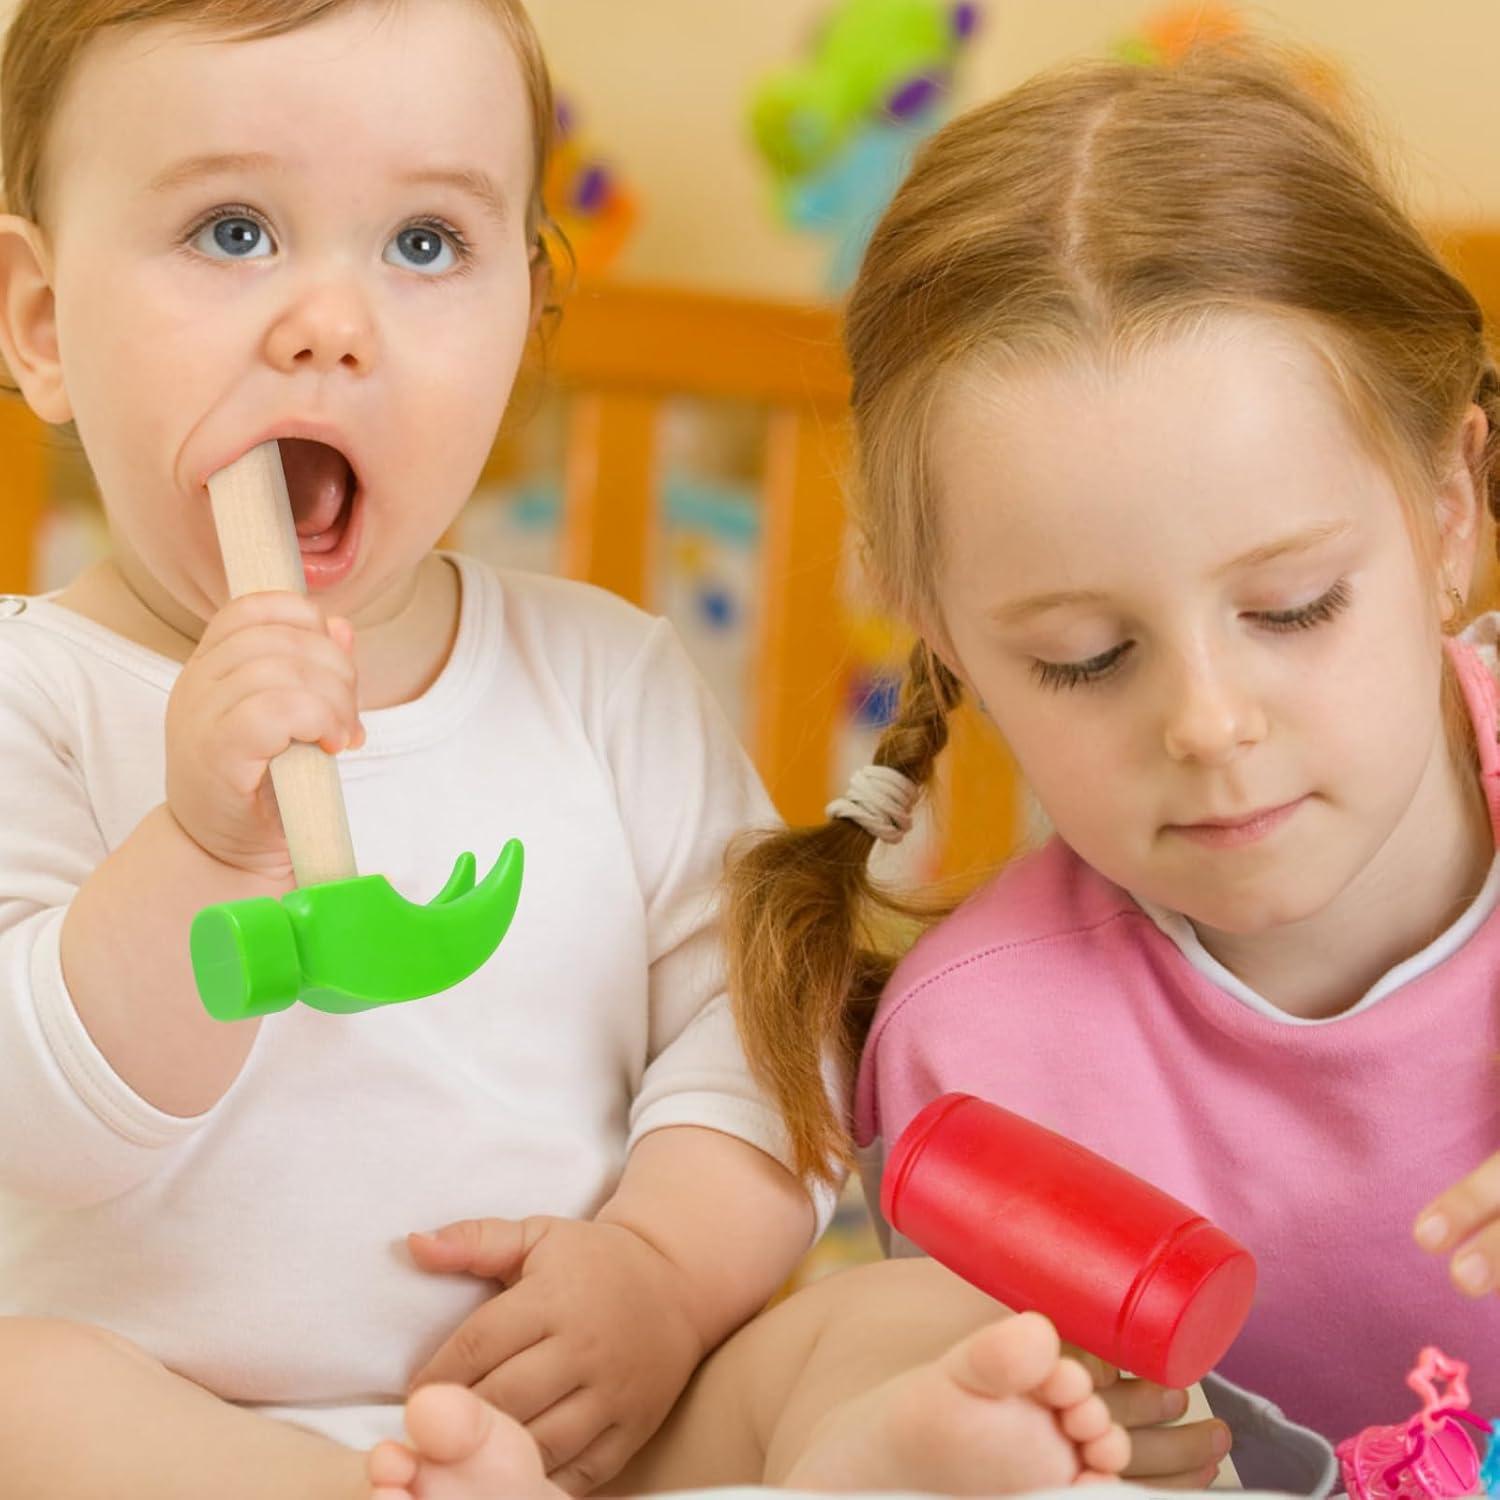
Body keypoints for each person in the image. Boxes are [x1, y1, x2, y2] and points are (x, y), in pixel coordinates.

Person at [0, 2, 1144, 1497]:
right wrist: (202, 853)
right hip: (180, 1423)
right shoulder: (31, 697)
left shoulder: (614, 681)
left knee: (907, 1310)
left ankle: (882, 1456)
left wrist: (661, 1278)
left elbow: (761, 1038)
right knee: (24, 1398)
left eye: (424, 244)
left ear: (528, 314)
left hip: (605, 1421)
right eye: (231, 231)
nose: (329, 321)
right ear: (38, 325)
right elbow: (36, 1123)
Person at [724, 42, 1500, 1450]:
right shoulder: (987, 1057)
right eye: (1086, 657)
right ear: (944, 634)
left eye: (1292, 606)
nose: (1208, 724)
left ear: (1450, 511)